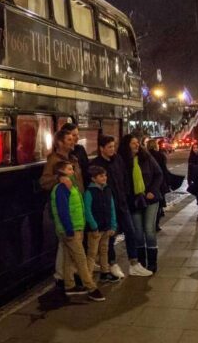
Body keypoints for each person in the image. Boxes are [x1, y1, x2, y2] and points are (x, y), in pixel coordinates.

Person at [50, 161, 105, 301]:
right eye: (69, 169)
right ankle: (91, 287)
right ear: (61, 172)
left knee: (69, 259)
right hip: (71, 230)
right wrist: (69, 229)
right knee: (80, 259)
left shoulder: (69, 186)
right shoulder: (62, 188)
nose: (73, 171)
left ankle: (69, 286)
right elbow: (63, 211)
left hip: (74, 228)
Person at [40, 129, 84, 291]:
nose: (73, 141)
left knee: (68, 243)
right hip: (64, 206)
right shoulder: (54, 161)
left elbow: (79, 183)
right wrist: (59, 178)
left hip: (76, 205)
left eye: (73, 138)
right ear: (59, 143)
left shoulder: (73, 159)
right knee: (66, 242)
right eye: (69, 139)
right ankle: (63, 276)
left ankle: (68, 275)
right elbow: (44, 182)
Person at [90, 135, 137, 278]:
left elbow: (124, 178)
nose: (112, 149)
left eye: (113, 146)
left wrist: (126, 194)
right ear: (101, 149)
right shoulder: (97, 165)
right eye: (109, 147)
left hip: (122, 203)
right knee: (110, 237)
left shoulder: (118, 160)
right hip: (109, 206)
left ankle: (134, 263)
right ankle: (112, 263)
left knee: (130, 231)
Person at [118, 134, 163, 274]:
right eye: (133, 143)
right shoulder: (122, 161)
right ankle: (141, 262)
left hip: (150, 199)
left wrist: (152, 190)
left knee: (149, 230)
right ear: (127, 145)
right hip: (134, 201)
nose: (137, 145)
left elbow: (159, 174)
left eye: (137, 143)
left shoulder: (146, 157)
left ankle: (153, 262)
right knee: (138, 232)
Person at [83, 165, 119, 283]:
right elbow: (87, 210)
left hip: (106, 227)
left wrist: (113, 224)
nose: (104, 178)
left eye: (105, 175)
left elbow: (112, 207)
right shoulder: (89, 192)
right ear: (93, 178)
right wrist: (93, 226)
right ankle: (87, 277)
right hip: (95, 229)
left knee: (104, 250)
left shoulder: (108, 190)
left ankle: (105, 272)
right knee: (92, 253)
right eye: (101, 176)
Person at [147, 139, 171, 232]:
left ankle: (150, 223)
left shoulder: (146, 155)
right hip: (159, 183)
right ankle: (156, 224)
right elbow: (163, 170)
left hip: (149, 183)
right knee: (158, 203)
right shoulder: (160, 155)